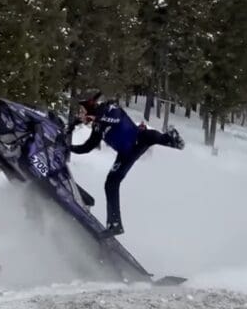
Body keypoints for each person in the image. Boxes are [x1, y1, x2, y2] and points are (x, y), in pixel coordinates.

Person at [68, 92, 185, 238]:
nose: (80, 115)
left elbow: (116, 117)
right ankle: (115, 225)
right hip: (125, 155)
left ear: (90, 108)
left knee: (154, 137)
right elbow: (87, 147)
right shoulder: (97, 127)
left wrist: (96, 115)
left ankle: (173, 140)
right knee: (110, 183)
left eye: (82, 111)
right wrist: (69, 147)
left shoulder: (110, 109)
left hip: (139, 140)